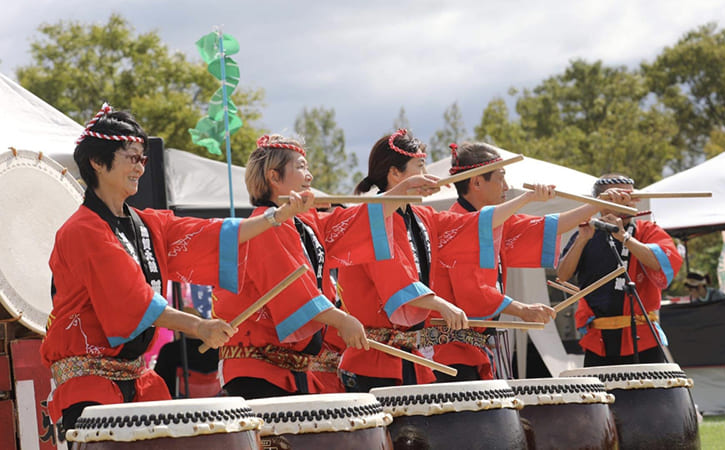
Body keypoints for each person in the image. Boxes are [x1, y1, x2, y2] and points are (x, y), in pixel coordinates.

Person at [41, 104, 307, 441]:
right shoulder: (82, 230)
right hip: (89, 385)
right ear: (97, 162)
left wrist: (274, 217)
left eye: (143, 158)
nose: (140, 166)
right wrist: (199, 326)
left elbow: (212, 234)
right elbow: (131, 299)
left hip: (136, 379)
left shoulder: (147, 224)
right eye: (132, 157)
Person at [337, 129, 563, 391]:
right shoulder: (371, 220)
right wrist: (442, 305)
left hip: (408, 355)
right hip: (374, 360)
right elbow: (395, 280)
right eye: (420, 166)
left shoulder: (423, 217)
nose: (426, 175)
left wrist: (528, 198)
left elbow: (474, 224)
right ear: (395, 174)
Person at [212, 134, 430, 399]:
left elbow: (351, 222)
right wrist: (343, 320)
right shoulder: (264, 226)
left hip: (291, 369)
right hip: (255, 369)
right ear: (274, 176)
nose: (310, 176)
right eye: (301, 167)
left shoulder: (305, 223)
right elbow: (292, 291)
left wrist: (400, 192)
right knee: (271, 442)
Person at [432, 142, 630, 381]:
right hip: (449, 351)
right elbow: (473, 291)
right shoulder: (455, 226)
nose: (506, 187)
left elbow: (551, 226)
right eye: (500, 178)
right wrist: (522, 309)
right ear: (476, 183)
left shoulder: (495, 222)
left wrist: (600, 203)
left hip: (481, 345)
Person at [556, 174, 683, 367]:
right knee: (600, 396)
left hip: (642, 335)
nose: (629, 202)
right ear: (600, 202)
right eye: (619, 197)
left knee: (648, 394)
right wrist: (582, 240)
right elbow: (563, 275)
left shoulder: (647, 231)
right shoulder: (587, 232)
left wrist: (624, 237)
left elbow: (662, 263)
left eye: (631, 197)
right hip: (599, 338)